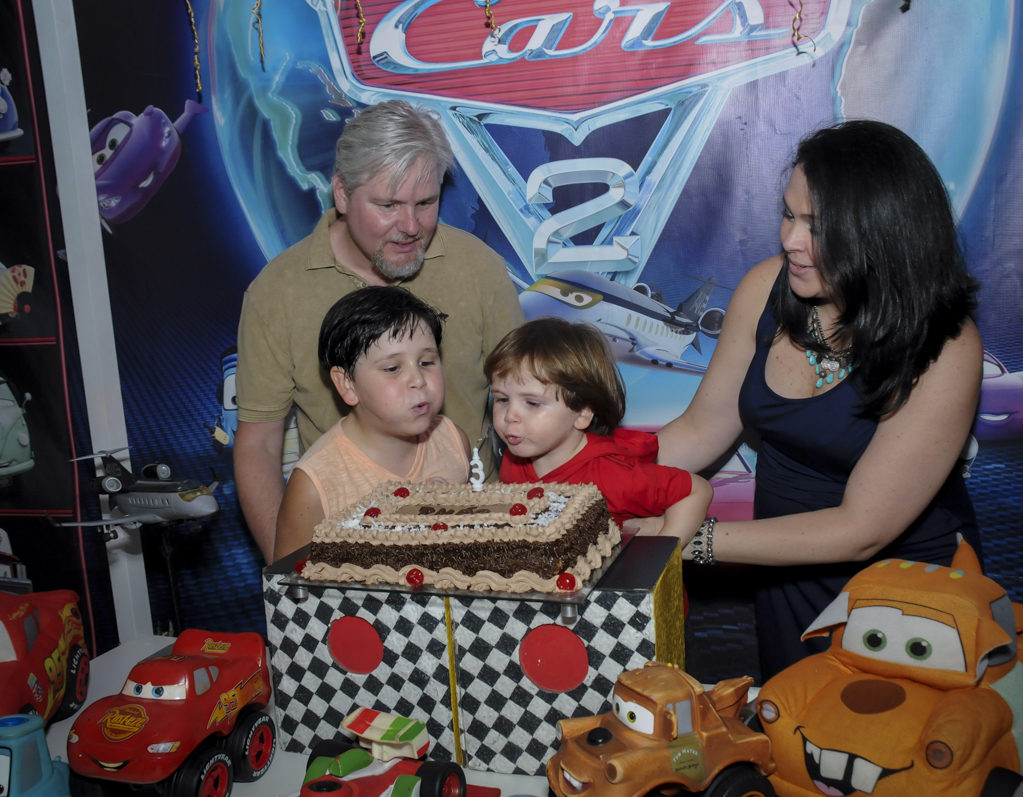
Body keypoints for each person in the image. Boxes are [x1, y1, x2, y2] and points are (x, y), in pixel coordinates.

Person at [635, 120, 983, 681]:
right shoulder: (765, 287)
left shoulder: (946, 343)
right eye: (789, 214)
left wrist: (684, 541)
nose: (791, 240)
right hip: (784, 574)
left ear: (881, 233)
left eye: (817, 227)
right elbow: (701, 429)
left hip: (904, 602)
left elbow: (860, 529)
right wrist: (594, 478)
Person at [234, 100, 524, 560]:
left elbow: (528, 408)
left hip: (475, 546)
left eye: (425, 203)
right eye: (388, 205)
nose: (410, 227)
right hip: (350, 560)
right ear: (343, 194)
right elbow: (259, 446)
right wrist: (291, 576)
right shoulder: (277, 294)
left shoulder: (481, 270)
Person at [273, 287, 470, 562]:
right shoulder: (314, 487)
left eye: (426, 362)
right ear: (347, 384)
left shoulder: (454, 441)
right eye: (392, 368)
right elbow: (292, 593)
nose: (418, 379)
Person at [487, 317, 713, 543]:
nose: (509, 417)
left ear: (583, 413)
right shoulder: (515, 457)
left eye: (532, 403)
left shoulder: (615, 477)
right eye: (502, 399)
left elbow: (698, 490)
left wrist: (662, 556)